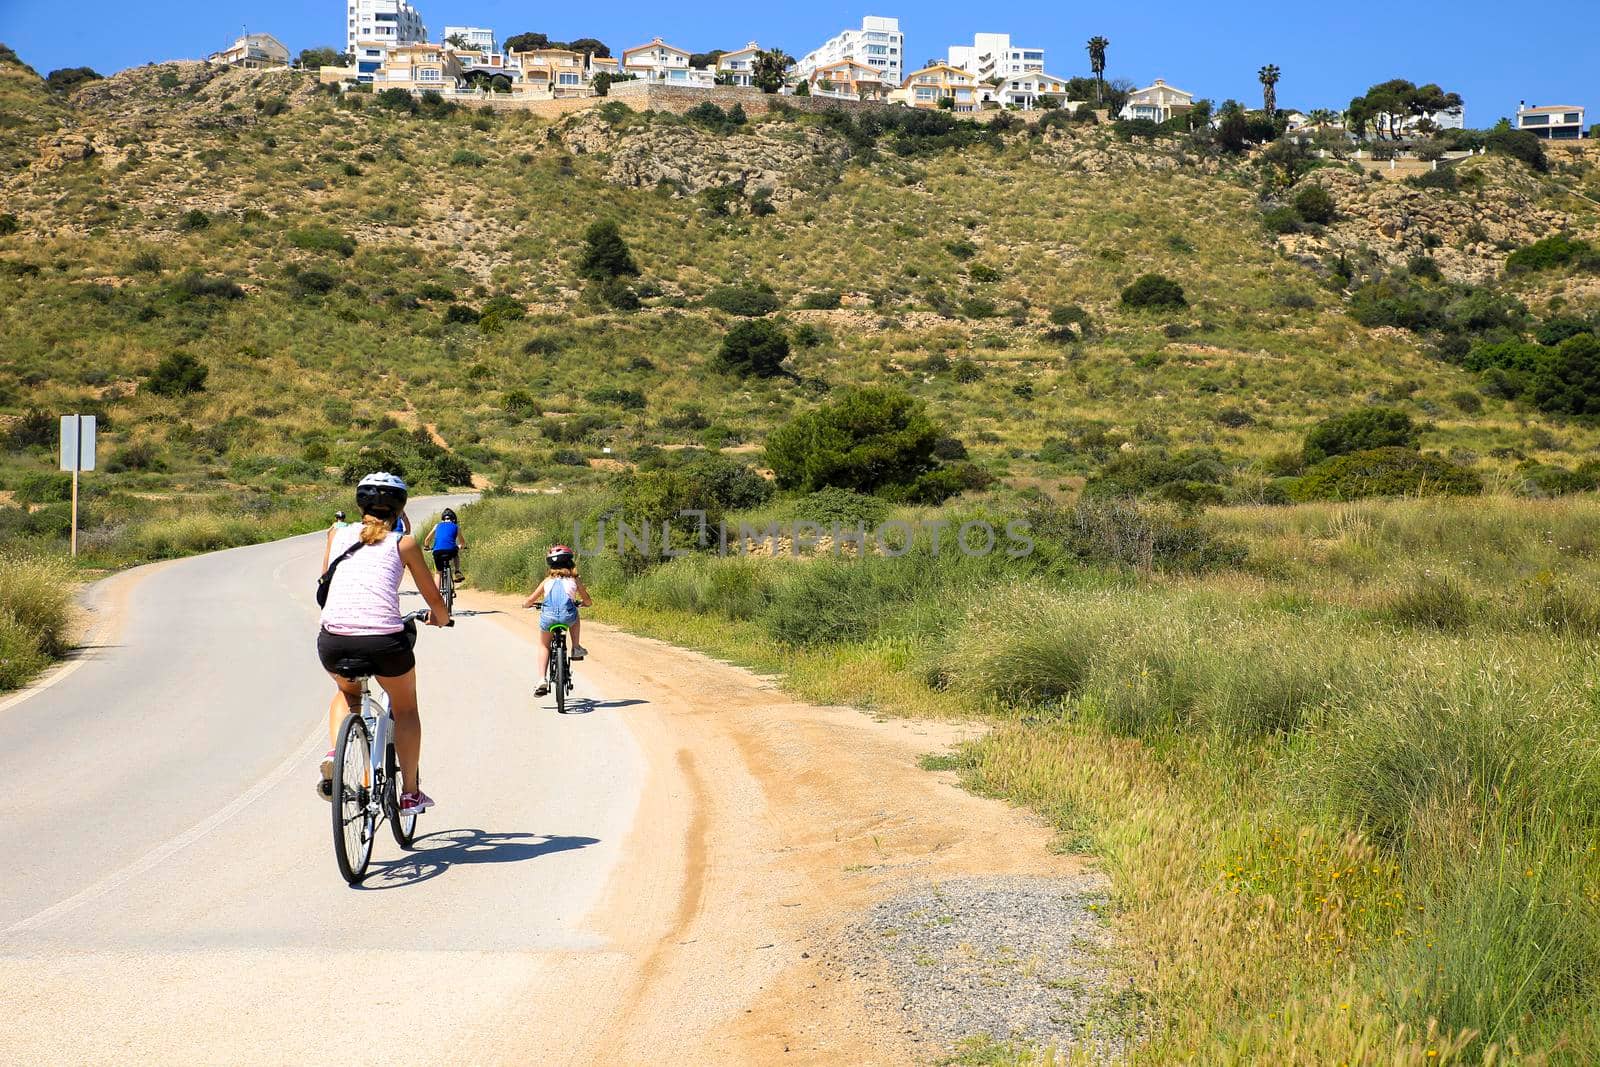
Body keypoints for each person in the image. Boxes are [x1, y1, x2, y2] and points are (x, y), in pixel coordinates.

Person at [315, 472, 449, 814]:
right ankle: (410, 793)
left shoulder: (337, 534)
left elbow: (327, 581)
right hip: (383, 642)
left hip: (334, 639)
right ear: (400, 507)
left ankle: (335, 753)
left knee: (348, 693)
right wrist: (441, 616)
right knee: (405, 709)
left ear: (360, 504)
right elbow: (430, 595)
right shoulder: (403, 543)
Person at [523, 545, 592, 697]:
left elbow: (530, 600)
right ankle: (575, 647)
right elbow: (587, 600)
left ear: (551, 565)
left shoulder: (547, 581)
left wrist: (526, 604)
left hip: (548, 619)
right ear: (570, 563)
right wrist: (584, 603)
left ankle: (542, 679)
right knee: (575, 615)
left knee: (544, 645)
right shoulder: (575, 580)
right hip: (567, 617)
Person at [423, 507, 467, 582]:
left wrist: (427, 546)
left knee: (438, 573)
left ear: (443, 518)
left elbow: (427, 540)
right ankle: (457, 571)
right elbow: (462, 543)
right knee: (455, 554)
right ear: (453, 519)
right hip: (451, 550)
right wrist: (462, 547)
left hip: (437, 551)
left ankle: (436, 592)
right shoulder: (456, 526)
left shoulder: (437, 526)